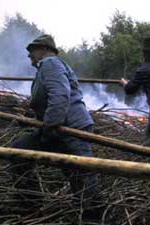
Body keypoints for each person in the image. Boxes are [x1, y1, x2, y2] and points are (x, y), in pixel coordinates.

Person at [9, 34, 99, 203]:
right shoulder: (49, 66)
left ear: (45, 49)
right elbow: (49, 100)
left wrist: (48, 129)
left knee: (82, 175)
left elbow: (60, 96)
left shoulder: (50, 64)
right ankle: (31, 202)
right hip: (61, 126)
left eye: (32, 50)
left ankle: (93, 219)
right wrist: (30, 117)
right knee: (20, 151)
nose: (29, 55)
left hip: (71, 128)